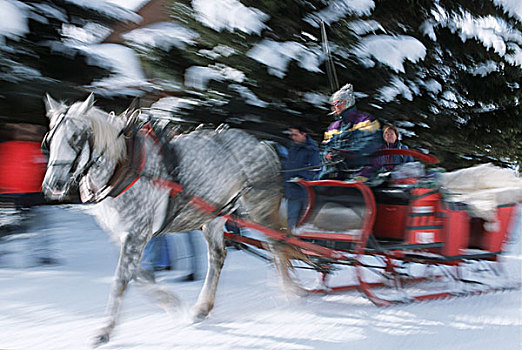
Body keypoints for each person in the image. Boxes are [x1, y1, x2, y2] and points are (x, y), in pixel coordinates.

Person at [319, 83, 382, 181]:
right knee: (321, 182)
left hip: (365, 168)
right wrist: (329, 155)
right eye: (333, 105)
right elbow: (326, 146)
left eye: (337, 103)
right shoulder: (334, 127)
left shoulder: (365, 120)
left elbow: (369, 144)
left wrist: (346, 154)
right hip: (341, 170)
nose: (334, 107)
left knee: (353, 187)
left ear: (347, 102)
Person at [283, 125, 321, 231]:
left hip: (304, 190)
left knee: (304, 218)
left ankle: (303, 241)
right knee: (291, 217)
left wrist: (301, 179)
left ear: (303, 134)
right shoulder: (293, 147)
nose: (293, 137)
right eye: (291, 135)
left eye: (295, 135)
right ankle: (291, 239)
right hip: (291, 189)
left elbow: (315, 169)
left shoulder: (312, 149)